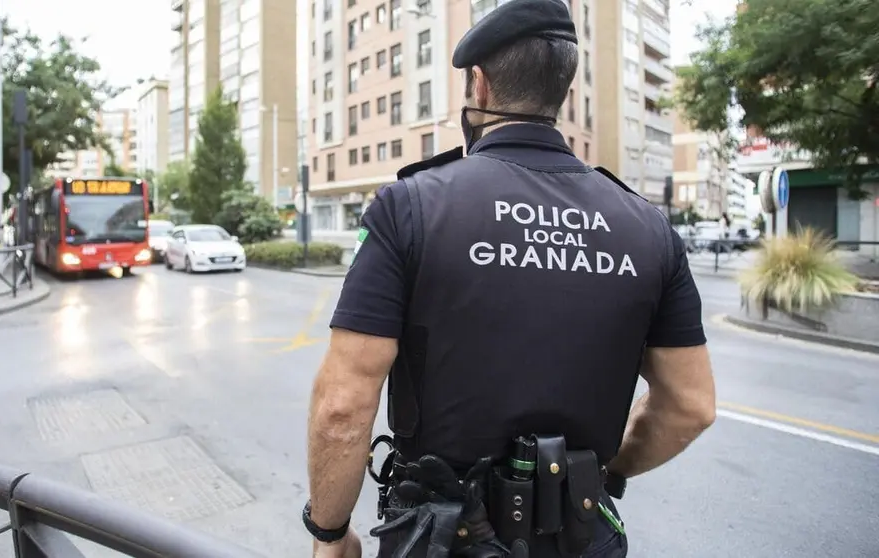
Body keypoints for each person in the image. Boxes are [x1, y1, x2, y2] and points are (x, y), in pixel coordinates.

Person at [304, 0, 717, 556]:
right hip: (581, 537)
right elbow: (691, 405)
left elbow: (343, 404)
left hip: (443, 538)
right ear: (562, 89)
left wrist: (330, 535)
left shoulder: (411, 208)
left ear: (478, 85)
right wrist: (594, 477)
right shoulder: (648, 228)